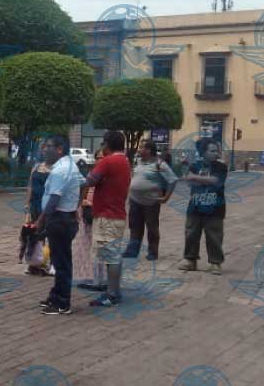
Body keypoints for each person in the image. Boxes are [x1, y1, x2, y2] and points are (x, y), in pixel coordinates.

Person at [79, 131, 132, 308]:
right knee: (113, 255)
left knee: (111, 256)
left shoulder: (108, 161)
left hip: (107, 216)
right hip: (116, 214)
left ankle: (112, 293)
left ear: (107, 144)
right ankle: (112, 290)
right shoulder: (124, 161)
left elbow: (89, 180)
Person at [36, 135, 82, 316]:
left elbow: (54, 198)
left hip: (59, 219)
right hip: (66, 217)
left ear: (59, 149)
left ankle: (62, 303)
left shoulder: (60, 171)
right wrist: (75, 206)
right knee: (60, 259)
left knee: (61, 263)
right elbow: (83, 183)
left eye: (47, 146)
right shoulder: (71, 165)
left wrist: (41, 220)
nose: (43, 150)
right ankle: (56, 296)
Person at [178, 138, 227, 275]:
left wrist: (196, 178)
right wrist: (202, 180)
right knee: (191, 234)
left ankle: (215, 262)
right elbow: (188, 181)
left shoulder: (221, 167)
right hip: (195, 207)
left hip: (215, 207)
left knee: (214, 236)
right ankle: (190, 260)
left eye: (217, 151)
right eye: (212, 151)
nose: (216, 153)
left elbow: (216, 181)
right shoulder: (195, 165)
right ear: (203, 152)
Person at [124, 140, 176, 262]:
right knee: (134, 226)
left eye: (141, 147)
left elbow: (173, 180)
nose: (139, 149)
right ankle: (133, 251)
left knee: (152, 228)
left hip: (151, 203)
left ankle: (152, 252)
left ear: (148, 150)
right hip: (135, 201)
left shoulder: (160, 164)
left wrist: (166, 197)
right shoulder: (138, 161)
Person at [23, 146, 53, 277]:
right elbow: (30, 186)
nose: (44, 151)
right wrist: (27, 203)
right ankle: (35, 263)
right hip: (35, 206)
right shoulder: (36, 167)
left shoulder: (56, 169)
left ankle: (52, 264)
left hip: (49, 206)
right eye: (43, 150)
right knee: (35, 235)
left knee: (51, 235)